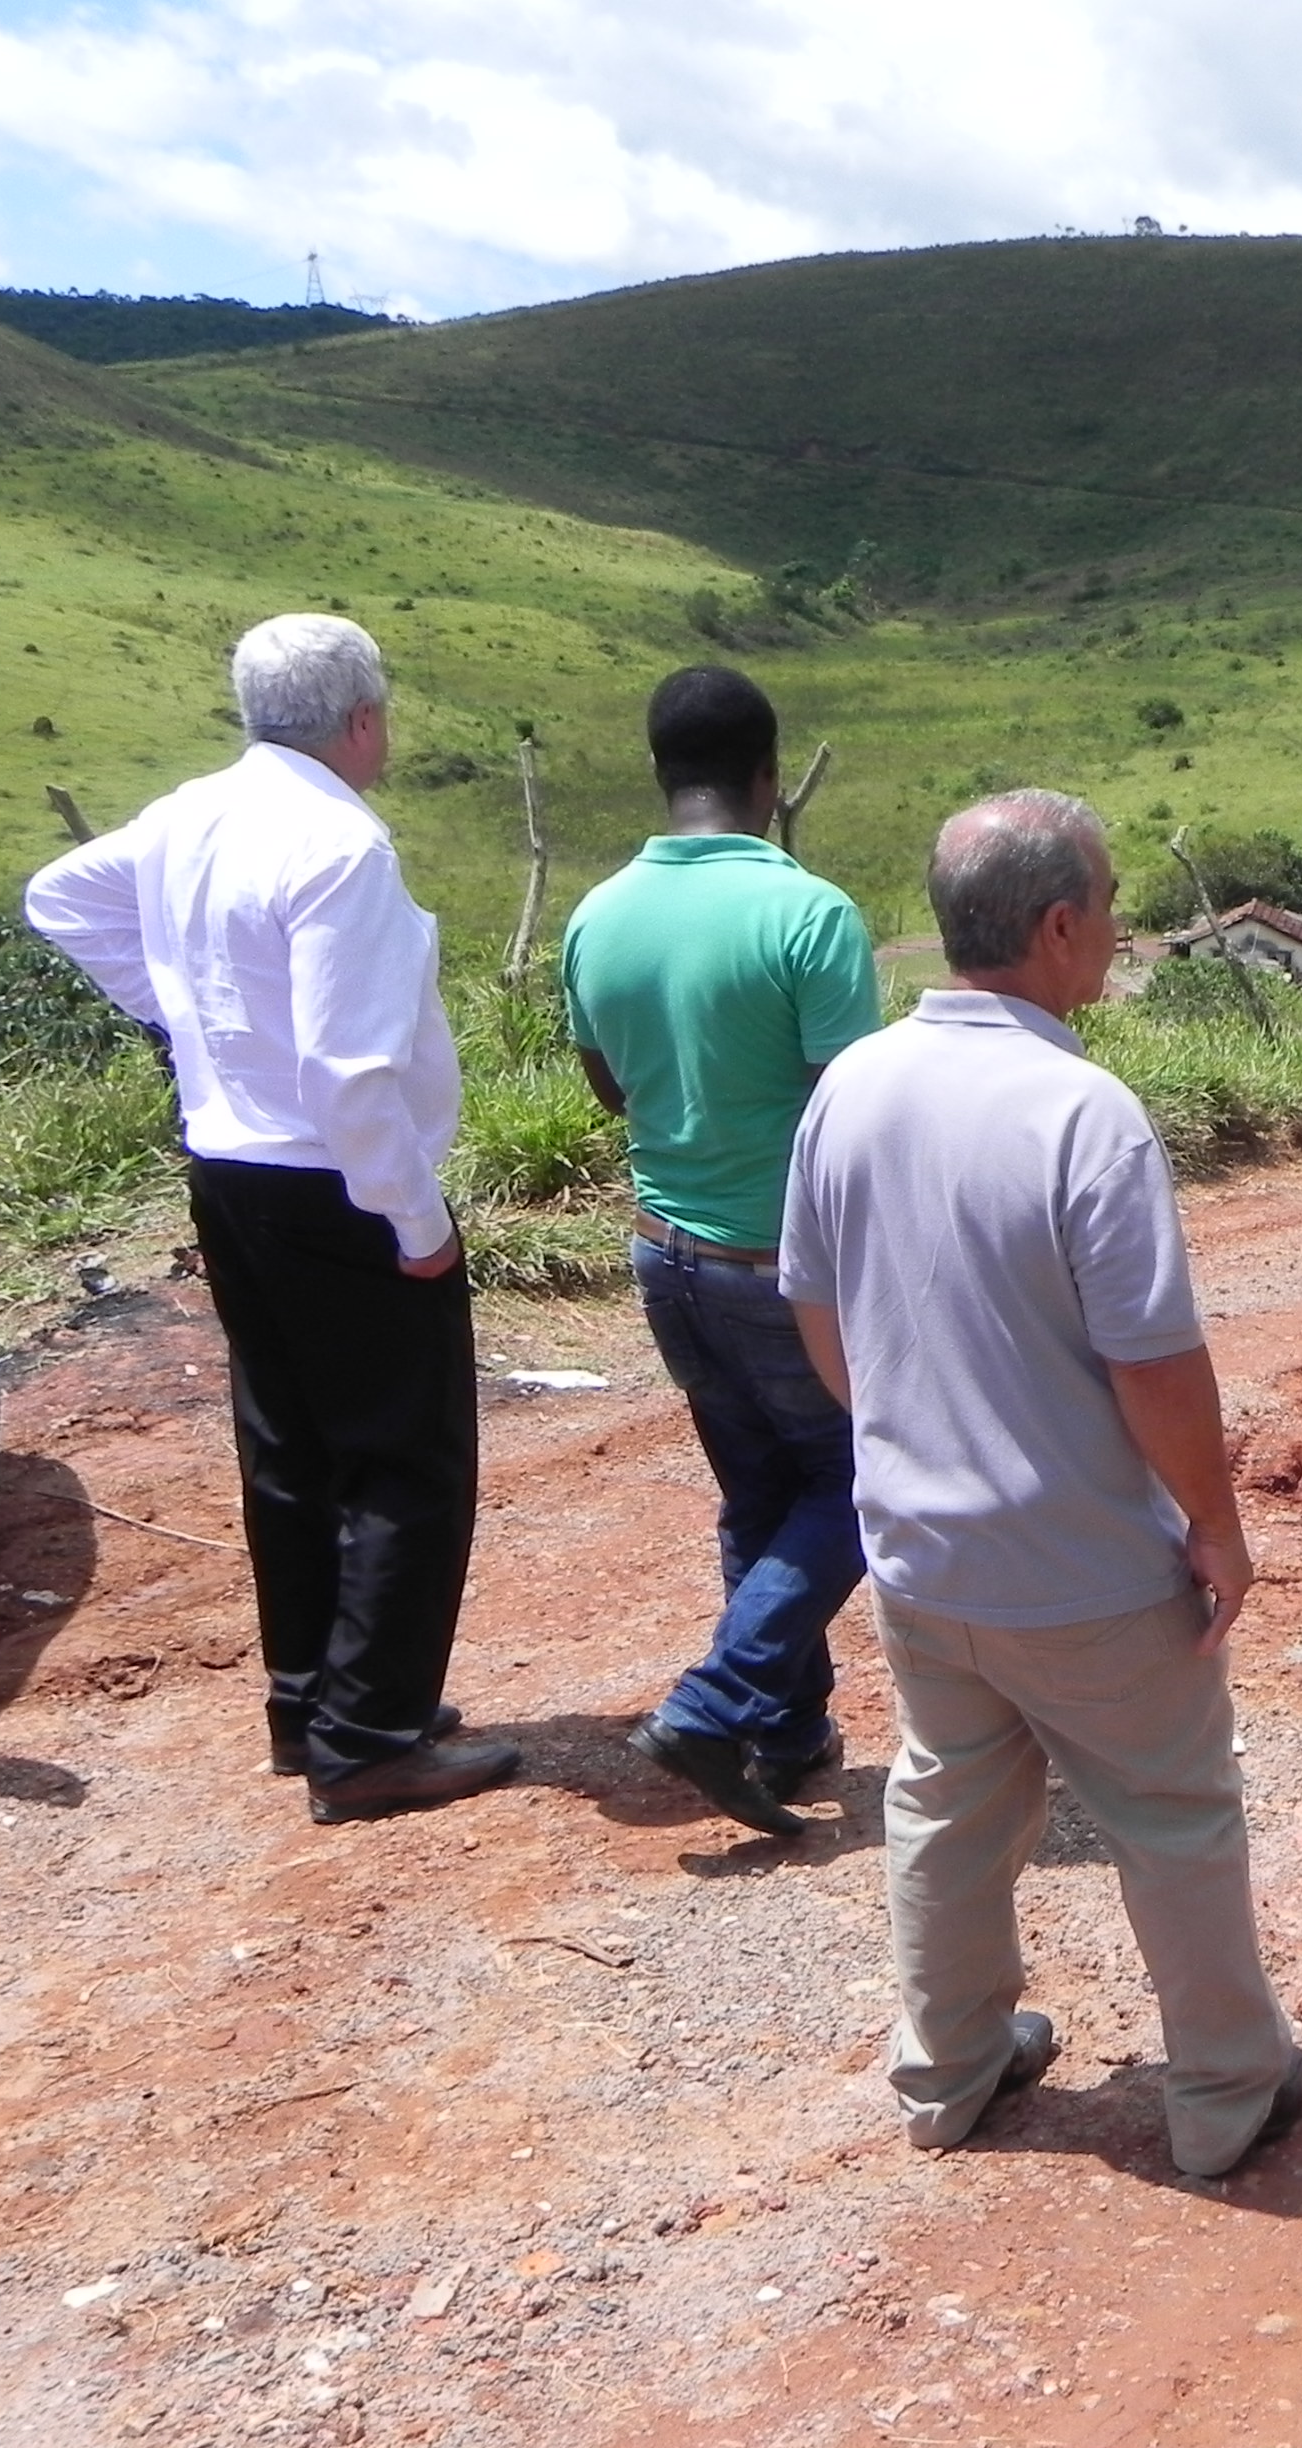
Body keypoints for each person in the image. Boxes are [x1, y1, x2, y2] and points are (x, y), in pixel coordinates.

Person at [781, 789, 1302, 2177]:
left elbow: (822, 1315)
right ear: (1061, 926)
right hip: (1078, 1567)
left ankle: (947, 2072)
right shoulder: (1083, 1110)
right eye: (1113, 908)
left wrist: (912, 1442)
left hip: (919, 1555)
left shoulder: (854, 1083)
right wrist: (1215, 1524)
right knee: (1173, 1814)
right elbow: (1154, 1364)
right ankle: (1224, 2091)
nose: (1121, 932)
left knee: (950, 1801)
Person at [24, 614, 515, 1822]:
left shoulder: (192, 812)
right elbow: (351, 1076)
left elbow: (60, 898)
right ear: (361, 721)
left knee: (290, 1447)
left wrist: (178, 1018)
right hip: (333, 1181)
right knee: (408, 1458)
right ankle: (373, 1737)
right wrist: (414, 1221)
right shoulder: (342, 847)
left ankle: (311, 1704)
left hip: (229, 1167)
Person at [563, 667, 878, 1838]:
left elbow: (606, 1085)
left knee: (758, 1494)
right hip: (781, 1264)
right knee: (859, 1481)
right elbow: (854, 1106)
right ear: (769, 777)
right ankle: (719, 1701)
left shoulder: (596, 914)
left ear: (660, 775)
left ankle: (790, 1738)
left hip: (664, 1257)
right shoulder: (810, 913)